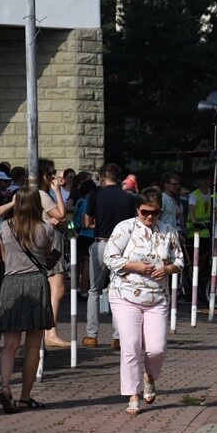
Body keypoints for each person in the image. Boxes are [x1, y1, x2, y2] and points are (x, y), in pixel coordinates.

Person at [104, 188, 184, 415]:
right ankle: (132, 394)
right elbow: (109, 256)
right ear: (137, 209)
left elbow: (179, 261)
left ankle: (150, 376)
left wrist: (167, 269)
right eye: (145, 212)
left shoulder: (168, 231)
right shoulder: (125, 228)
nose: (150, 217)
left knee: (156, 348)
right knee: (130, 345)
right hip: (125, 294)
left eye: (155, 212)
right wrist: (134, 266)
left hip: (157, 297)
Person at [0, 189, 48, 413]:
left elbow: (3, 257)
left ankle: (6, 387)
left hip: (11, 284)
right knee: (33, 345)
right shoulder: (46, 228)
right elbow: (49, 255)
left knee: (10, 345)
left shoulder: (4, 227)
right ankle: (26, 397)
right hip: (36, 283)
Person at [84, 164, 137, 349]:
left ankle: (92, 335)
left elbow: (87, 221)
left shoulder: (95, 196)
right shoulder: (128, 198)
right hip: (122, 247)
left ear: (102, 178)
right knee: (119, 290)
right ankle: (117, 336)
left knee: (94, 290)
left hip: (101, 243)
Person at [37, 160, 71, 348]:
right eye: (50, 173)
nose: (53, 177)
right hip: (52, 244)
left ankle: (46, 333)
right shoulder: (42, 194)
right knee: (57, 288)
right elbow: (61, 215)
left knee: (48, 288)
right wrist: (57, 192)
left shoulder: (28, 193)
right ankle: (51, 332)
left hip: (40, 243)